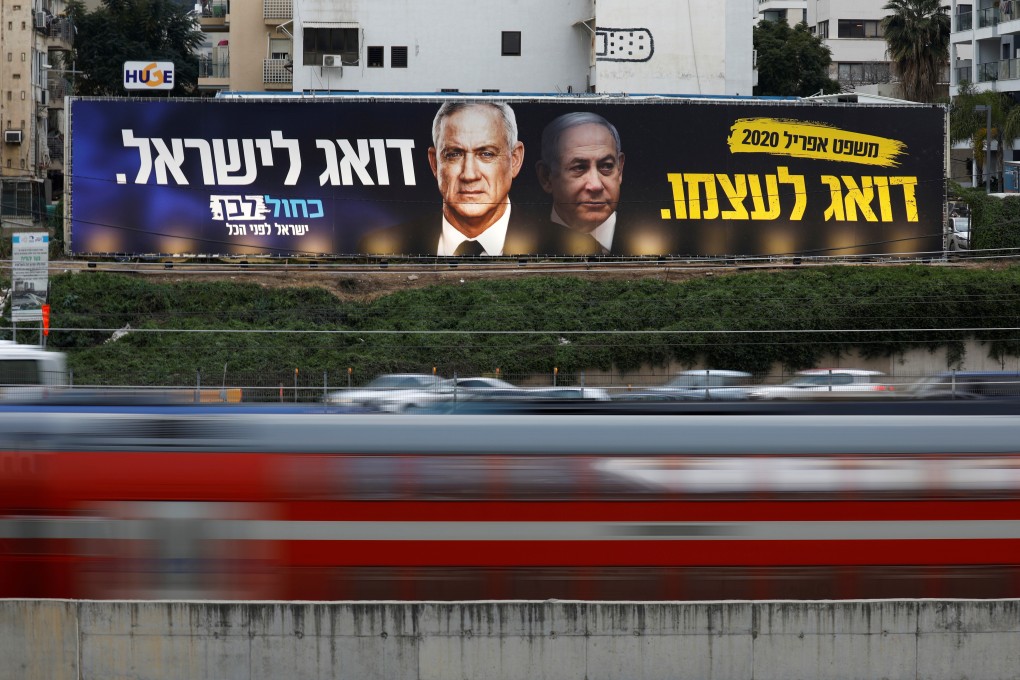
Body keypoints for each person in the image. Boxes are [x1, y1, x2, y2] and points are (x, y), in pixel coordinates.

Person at [358, 101, 535, 256]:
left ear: (515, 160)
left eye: (486, 154)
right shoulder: (381, 246)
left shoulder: (552, 239)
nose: (469, 175)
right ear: (435, 163)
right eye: (454, 154)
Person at [534, 111, 671, 255]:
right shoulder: (530, 237)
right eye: (579, 168)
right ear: (546, 176)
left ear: (620, 168)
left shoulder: (659, 237)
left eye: (606, 166)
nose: (596, 185)